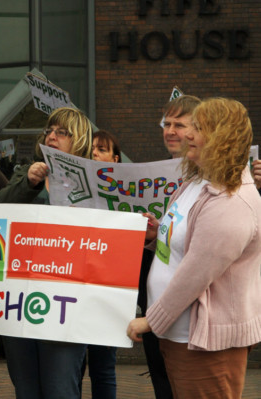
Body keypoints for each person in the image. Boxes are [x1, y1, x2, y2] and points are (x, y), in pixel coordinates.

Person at [127, 97, 261, 398]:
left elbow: (196, 273)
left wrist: (151, 320)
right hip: (180, 336)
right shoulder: (198, 182)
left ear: (221, 139)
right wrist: (156, 233)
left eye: (197, 128)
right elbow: (184, 242)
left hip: (205, 345)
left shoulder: (231, 201)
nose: (186, 134)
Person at [0, 107, 93, 399]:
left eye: (62, 132)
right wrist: (28, 184)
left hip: (67, 304)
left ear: (80, 139)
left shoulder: (94, 182)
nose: (52, 136)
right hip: (21, 300)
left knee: (60, 389)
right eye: (50, 131)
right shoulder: (28, 172)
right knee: (26, 390)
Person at [138, 94, 201, 399]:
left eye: (180, 124)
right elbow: (175, 244)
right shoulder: (187, 180)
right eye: (167, 123)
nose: (170, 130)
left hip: (189, 325)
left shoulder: (209, 181)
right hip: (161, 317)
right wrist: (154, 235)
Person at [80, 129, 121, 399]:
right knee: (71, 367)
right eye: (93, 148)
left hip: (109, 289)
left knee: (103, 366)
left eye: (102, 149)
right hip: (76, 285)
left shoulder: (127, 194)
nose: (95, 153)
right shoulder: (74, 188)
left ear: (115, 160)